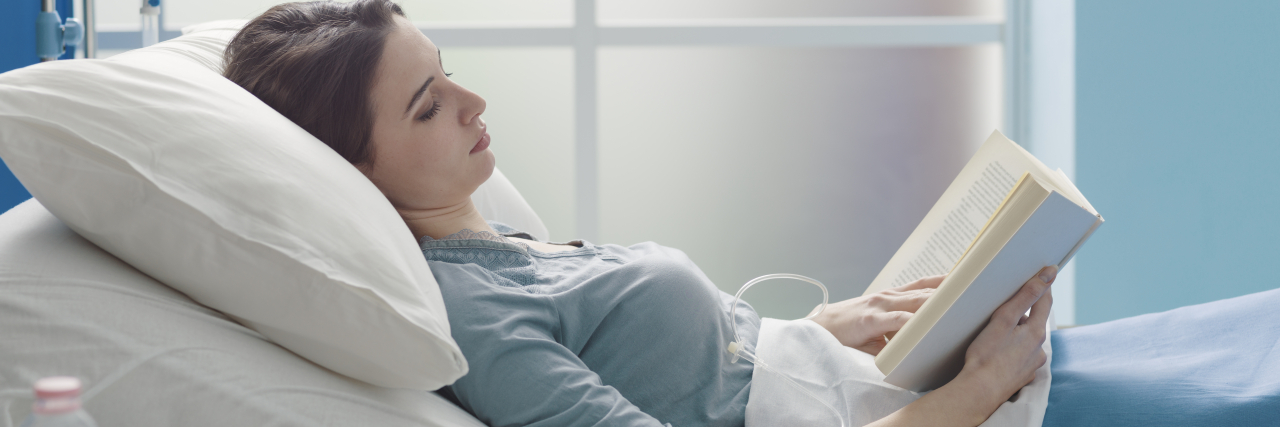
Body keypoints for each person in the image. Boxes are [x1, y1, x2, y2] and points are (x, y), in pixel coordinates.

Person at [223, 1, 1053, 425]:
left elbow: (677, 373)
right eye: (428, 107)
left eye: (448, 71)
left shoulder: (493, 246)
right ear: (352, 167)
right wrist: (981, 385)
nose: (474, 101)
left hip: (863, 380)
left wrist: (824, 325)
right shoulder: (470, 317)